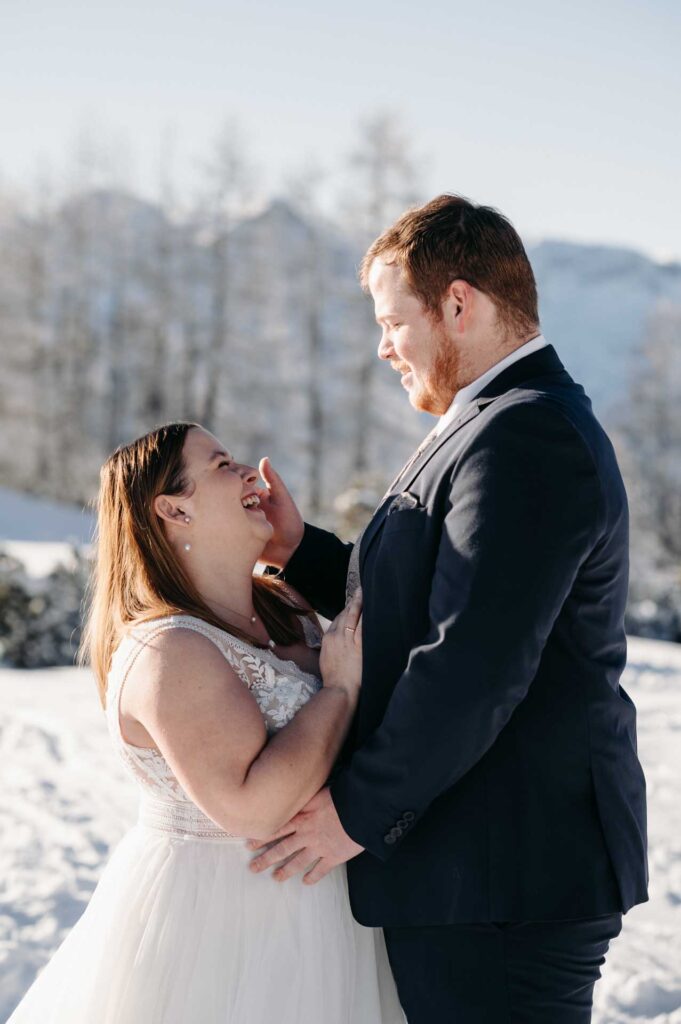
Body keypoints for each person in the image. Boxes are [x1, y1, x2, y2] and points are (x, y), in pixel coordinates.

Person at [246, 194, 649, 1023]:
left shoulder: (524, 436)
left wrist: (355, 813)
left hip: (505, 875)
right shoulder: (496, 423)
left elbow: (473, 660)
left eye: (394, 321)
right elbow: (432, 599)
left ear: (458, 304)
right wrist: (302, 552)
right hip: (480, 870)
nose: (383, 347)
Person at [7, 422, 403, 1024]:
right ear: (173, 509)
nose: (251, 472)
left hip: (330, 913)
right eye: (221, 465)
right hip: (221, 927)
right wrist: (342, 687)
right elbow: (253, 807)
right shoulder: (169, 650)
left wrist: (297, 547)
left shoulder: (287, 606)